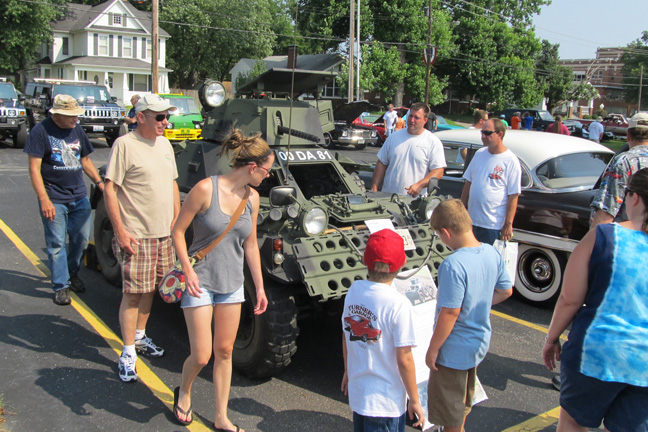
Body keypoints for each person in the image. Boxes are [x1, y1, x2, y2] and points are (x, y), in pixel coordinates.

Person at [171, 129, 269, 431]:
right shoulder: (205, 190)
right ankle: (184, 390)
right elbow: (177, 231)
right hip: (199, 281)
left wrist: (261, 287)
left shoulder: (252, 198)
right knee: (202, 354)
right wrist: (187, 269)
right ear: (252, 168)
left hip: (232, 286)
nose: (268, 175)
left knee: (224, 351)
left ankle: (221, 416)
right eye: (267, 170)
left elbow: (250, 244)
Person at [542, 168, 648, 432]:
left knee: (573, 423)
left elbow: (569, 299)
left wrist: (552, 338)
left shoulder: (603, 236)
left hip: (597, 351)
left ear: (633, 198)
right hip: (643, 362)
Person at [103, 94, 181, 382]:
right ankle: (126, 352)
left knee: (150, 290)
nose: (165, 122)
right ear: (140, 117)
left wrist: (177, 223)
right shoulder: (125, 145)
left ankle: (139, 337)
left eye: (166, 116)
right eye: (159, 117)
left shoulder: (164, 144)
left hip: (164, 236)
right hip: (137, 235)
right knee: (133, 294)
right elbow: (109, 190)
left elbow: (173, 183)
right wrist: (121, 231)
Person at [426, 199, 513, 432]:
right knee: (463, 404)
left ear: (446, 232)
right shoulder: (491, 253)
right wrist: (477, 302)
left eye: (439, 236)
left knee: (450, 414)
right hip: (477, 345)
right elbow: (506, 290)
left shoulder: (452, 265)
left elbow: (450, 313)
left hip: (452, 351)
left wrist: (433, 348)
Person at [341, 229, 424, 432]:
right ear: (402, 263)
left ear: (365, 260)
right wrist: (414, 399)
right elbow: (404, 359)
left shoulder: (353, 291)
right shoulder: (399, 304)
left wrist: (348, 370)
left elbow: (347, 335)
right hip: (386, 402)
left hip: (360, 394)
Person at [25, 94, 104, 305]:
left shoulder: (76, 130)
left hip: (78, 197)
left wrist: (100, 182)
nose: (75, 119)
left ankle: (72, 272)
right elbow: (34, 168)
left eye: (76, 115)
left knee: (80, 240)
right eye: (71, 115)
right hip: (54, 197)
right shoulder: (40, 131)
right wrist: (44, 199)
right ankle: (61, 285)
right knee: (57, 244)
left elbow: (85, 160)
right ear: (57, 114)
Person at [460, 118, 521, 245]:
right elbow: (468, 183)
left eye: (487, 133)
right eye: (482, 132)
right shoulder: (479, 154)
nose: (483, 136)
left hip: (492, 225)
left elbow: (513, 195)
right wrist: (461, 208)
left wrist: (508, 224)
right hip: (471, 221)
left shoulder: (510, 160)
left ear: (500, 134)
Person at [372, 102, 446, 198]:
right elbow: (382, 163)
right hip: (388, 199)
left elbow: (438, 170)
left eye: (417, 117)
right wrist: (374, 188)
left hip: (414, 202)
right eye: (410, 116)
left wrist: (420, 185)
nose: (412, 120)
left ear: (425, 120)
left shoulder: (432, 142)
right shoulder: (393, 137)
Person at [591, 112, 648, 227]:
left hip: (626, 239)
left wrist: (594, 239)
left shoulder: (624, 161)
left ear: (628, 135)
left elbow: (607, 210)